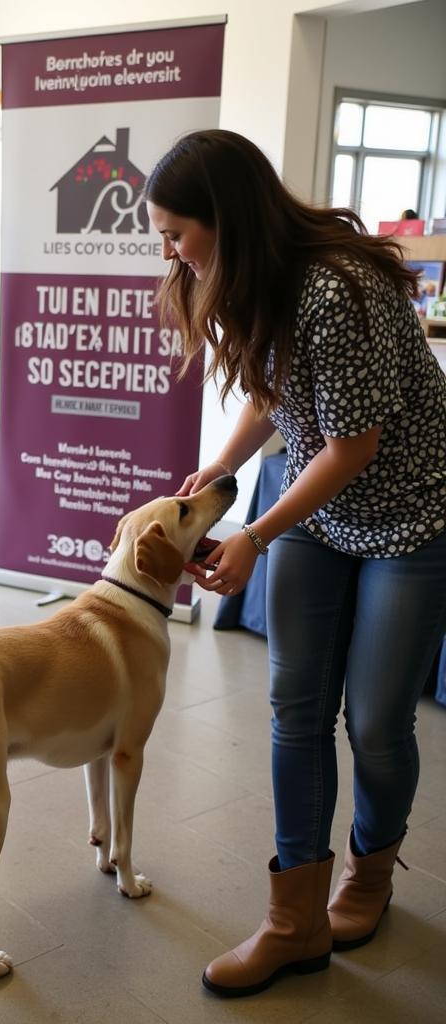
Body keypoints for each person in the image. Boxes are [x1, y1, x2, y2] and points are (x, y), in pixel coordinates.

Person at [144, 129, 446, 998]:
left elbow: (352, 445)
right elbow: (278, 393)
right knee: (295, 708)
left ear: (227, 219)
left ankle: (371, 876)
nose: (169, 251)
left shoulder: (338, 289)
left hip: (411, 518)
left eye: (176, 232)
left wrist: (256, 532)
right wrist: (224, 466)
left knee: (378, 722)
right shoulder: (252, 279)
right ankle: (293, 922)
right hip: (319, 511)